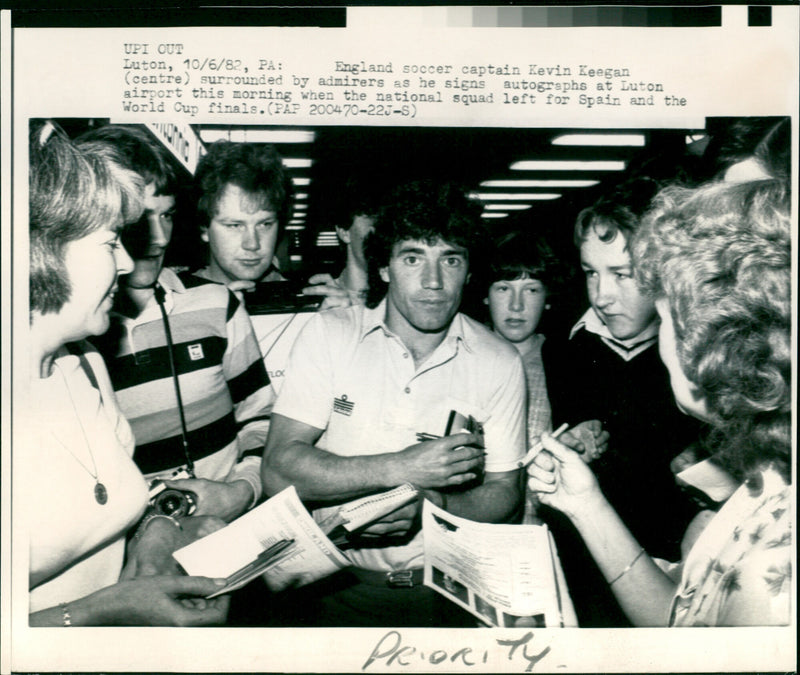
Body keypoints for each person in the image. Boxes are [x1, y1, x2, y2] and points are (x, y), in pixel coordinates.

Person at [528, 175, 791, 626]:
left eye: (673, 314)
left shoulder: (768, 555)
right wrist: (585, 503)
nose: (603, 297)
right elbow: (676, 622)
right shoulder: (763, 493)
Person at [261, 180, 526, 627]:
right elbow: (278, 470)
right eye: (412, 258)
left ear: (468, 270)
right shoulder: (330, 335)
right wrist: (403, 467)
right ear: (384, 268)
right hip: (332, 590)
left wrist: (434, 503)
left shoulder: (500, 361)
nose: (434, 282)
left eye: (451, 259)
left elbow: (506, 495)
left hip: (449, 595)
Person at [25, 121, 229, 625]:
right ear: (43, 249)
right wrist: (104, 610)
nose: (125, 261)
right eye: (110, 241)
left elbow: (112, 501)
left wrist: (157, 529)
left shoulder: (89, 367)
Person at [79, 125, 272, 523]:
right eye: (140, 219)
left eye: (166, 216)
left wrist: (243, 490)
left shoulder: (218, 303)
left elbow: (259, 416)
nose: (159, 237)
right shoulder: (73, 334)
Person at [540, 177, 702, 626]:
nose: (601, 295)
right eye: (591, 272)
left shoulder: (705, 360)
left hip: (680, 571)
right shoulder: (564, 347)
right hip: (586, 569)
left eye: (622, 274)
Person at [482, 231, 601, 523]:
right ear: (485, 295)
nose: (516, 305)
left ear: (548, 298)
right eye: (503, 288)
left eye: (531, 290)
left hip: (540, 530)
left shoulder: (570, 365)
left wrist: (585, 441)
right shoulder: (461, 357)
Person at [179, 139, 351, 308]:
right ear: (204, 227)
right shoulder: (176, 301)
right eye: (235, 225)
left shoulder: (306, 299)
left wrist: (339, 323)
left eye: (264, 224)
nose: (252, 244)